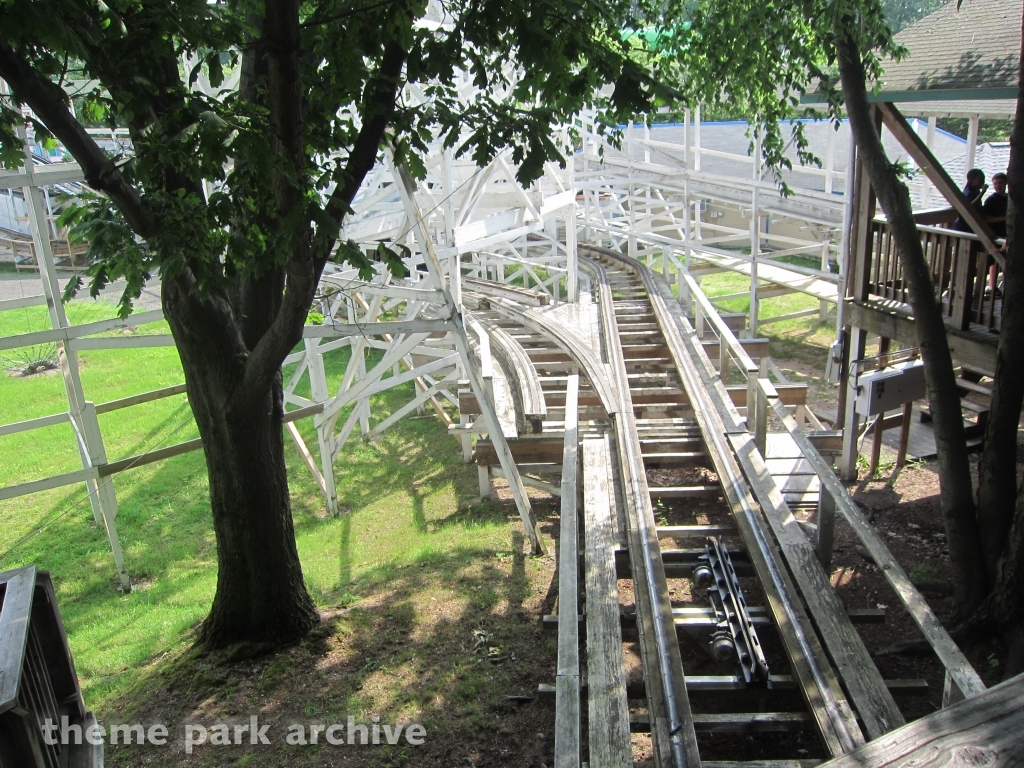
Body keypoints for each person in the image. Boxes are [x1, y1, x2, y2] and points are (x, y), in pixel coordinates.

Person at [953, 168, 987, 232]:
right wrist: (982, 193)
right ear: (971, 180)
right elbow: (969, 207)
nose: (983, 182)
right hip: (963, 227)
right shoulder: (967, 193)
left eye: (984, 179)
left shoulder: (976, 191)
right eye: (980, 179)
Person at [983, 172, 1008, 240]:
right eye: (995, 184)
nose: (998, 186)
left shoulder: (1009, 198)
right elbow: (987, 219)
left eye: (1000, 183)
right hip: (996, 234)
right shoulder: (991, 200)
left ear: (1006, 182)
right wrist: (1005, 218)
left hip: (1007, 232)